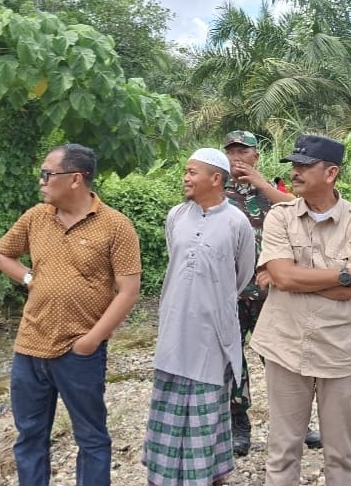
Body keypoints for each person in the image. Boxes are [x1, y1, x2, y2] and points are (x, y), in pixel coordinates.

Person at [0, 144, 141, 486]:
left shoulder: (115, 226)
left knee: (91, 437)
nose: (41, 181)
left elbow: (128, 291)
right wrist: (29, 278)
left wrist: (91, 341)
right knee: (29, 437)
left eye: (48, 174)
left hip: (79, 352)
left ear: (75, 178)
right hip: (29, 347)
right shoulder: (36, 217)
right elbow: (1, 254)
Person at [250, 134, 351, 485]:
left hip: (341, 353)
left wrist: (294, 279)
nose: (295, 172)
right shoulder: (280, 217)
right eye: (294, 165)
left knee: (341, 453)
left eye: (305, 166)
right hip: (286, 346)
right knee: (282, 450)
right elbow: (283, 275)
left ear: (331, 173)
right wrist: (345, 275)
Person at [142, 148, 255, 486]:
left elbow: (242, 274)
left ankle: (206, 476)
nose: (186, 178)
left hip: (212, 332)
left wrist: (211, 300)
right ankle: (164, 475)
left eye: (192, 172)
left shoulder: (237, 222)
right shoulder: (176, 215)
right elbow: (176, 261)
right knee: (169, 401)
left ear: (215, 179)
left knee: (207, 405)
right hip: (175, 325)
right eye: (186, 172)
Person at [222, 130, 313, 456]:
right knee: (231, 361)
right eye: (232, 151)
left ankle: (297, 423)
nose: (237, 157)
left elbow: (302, 209)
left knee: (281, 359)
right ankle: (238, 424)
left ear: (255, 156)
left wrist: (262, 184)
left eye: (243, 151)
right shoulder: (217, 191)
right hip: (229, 294)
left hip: (269, 292)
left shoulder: (274, 190)